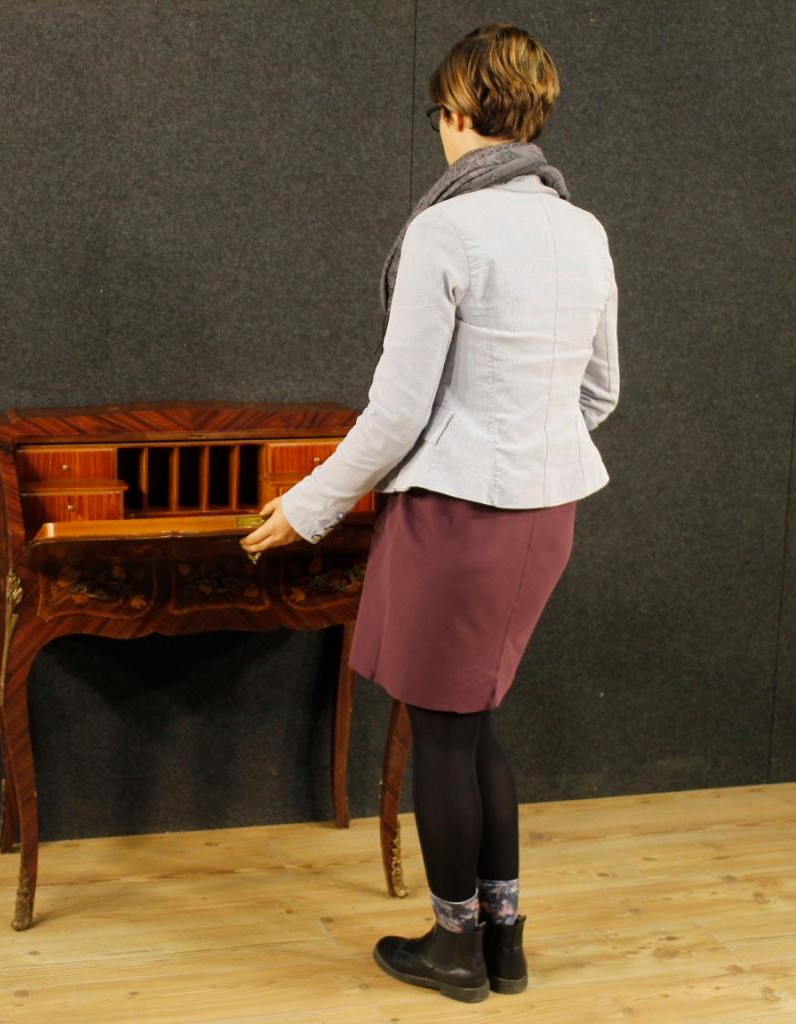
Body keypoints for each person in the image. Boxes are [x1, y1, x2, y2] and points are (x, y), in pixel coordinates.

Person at [240, 23, 619, 1004]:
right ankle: (504, 939)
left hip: (458, 515)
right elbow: (599, 392)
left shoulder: (445, 230)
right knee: (475, 725)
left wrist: (309, 505)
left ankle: (455, 950)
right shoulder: (582, 230)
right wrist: (527, 444)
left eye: (438, 112)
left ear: (457, 114)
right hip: (547, 516)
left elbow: (399, 411)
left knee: (444, 734)